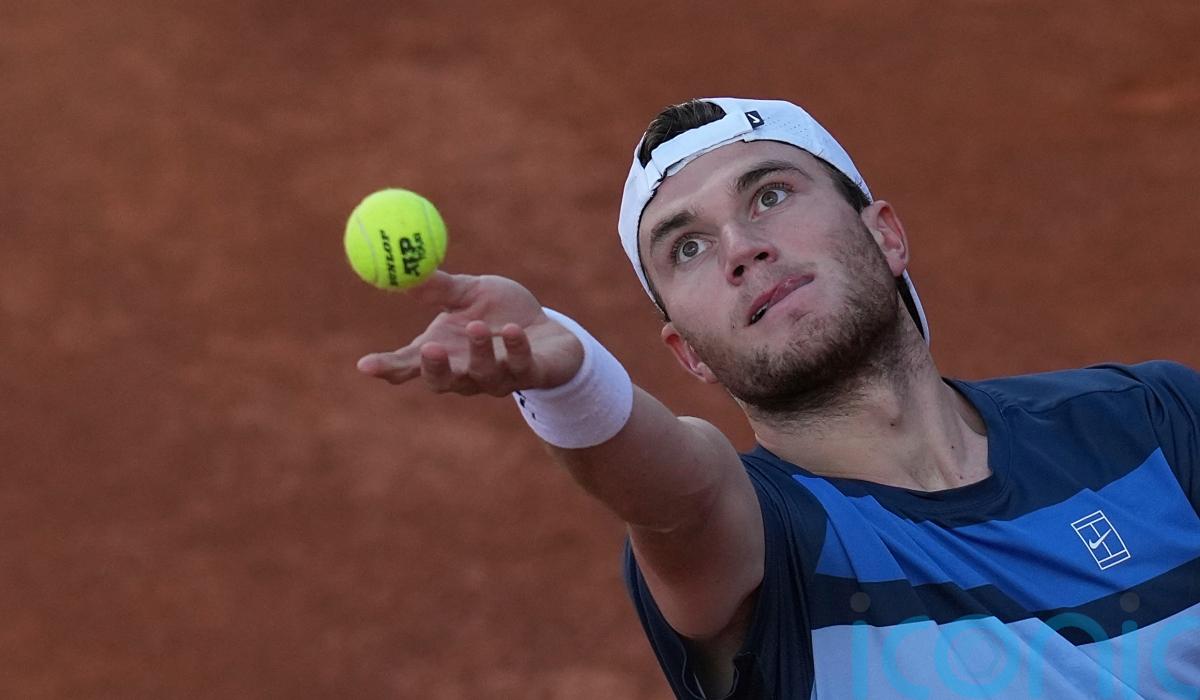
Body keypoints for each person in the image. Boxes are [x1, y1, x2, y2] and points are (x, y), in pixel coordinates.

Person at [357, 97, 1200, 698]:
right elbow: (677, 493)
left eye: (769, 195)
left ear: (884, 233)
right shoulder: (763, 546)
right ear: (688, 353)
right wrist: (574, 382)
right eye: (687, 248)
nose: (741, 248)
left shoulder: (1147, 422)